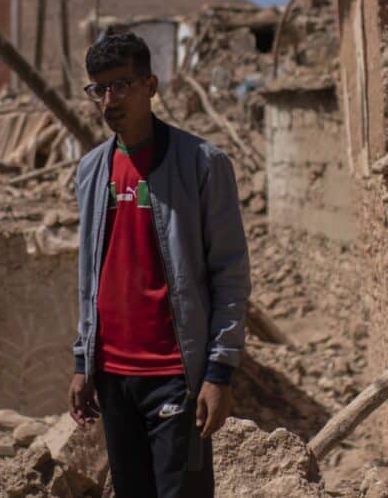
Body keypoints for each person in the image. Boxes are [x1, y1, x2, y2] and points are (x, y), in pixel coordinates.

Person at [68, 32, 251, 498]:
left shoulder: (203, 165)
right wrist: (83, 360)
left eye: (121, 85)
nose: (109, 100)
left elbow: (229, 272)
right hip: (113, 377)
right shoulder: (92, 171)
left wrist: (219, 372)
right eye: (99, 89)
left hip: (176, 376)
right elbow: (90, 273)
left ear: (151, 85)